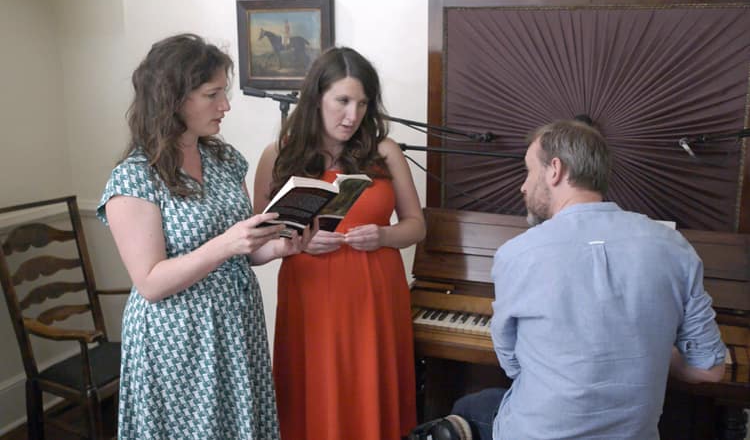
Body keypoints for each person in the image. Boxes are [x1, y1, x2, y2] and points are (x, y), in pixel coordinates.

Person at [415, 119, 726, 440]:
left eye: (528, 171)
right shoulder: (674, 247)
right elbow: (709, 369)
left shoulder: (518, 253)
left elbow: (514, 365)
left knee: (468, 407)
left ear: (554, 170)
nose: (523, 186)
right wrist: (653, 348)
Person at [97, 33, 309, 440]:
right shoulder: (135, 178)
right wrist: (226, 244)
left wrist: (279, 246)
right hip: (179, 340)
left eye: (223, 94)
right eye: (212, 95)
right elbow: (151, 282)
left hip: (236, 325)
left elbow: (244, 251)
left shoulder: (224, 159)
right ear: (173, 98)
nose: (225, 106)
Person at [254, 46, 426, 440]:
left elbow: (417, 227)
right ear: (316, 98)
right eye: (343, 101)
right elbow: (256, 239)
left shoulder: (385, 152)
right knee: (315, 389)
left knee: (371, 388)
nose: (353, 116)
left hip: (375, 293)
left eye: (363, 104)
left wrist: (383, 235)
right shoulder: (278, 155)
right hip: (310, 291)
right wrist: (296, 241)